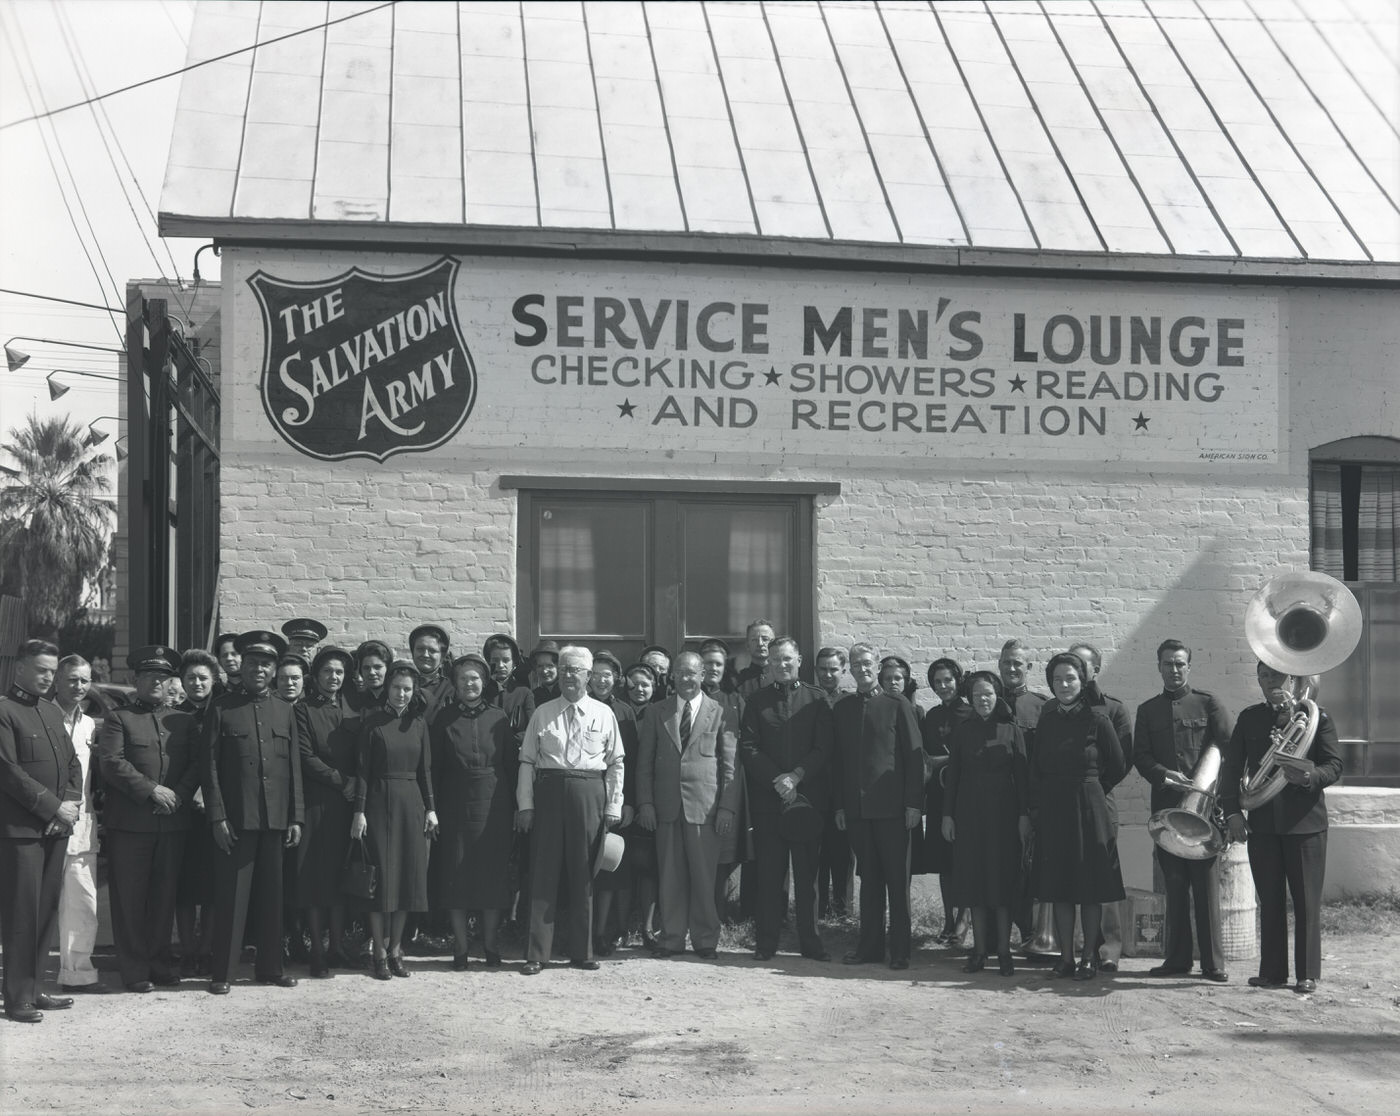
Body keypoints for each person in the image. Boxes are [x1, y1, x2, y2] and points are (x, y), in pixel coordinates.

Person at [1220, 661, 1343, 995]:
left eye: (1275, 674)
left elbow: (1334, 765)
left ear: (1292, 678)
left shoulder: (1319, 717)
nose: (1269, 681)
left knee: (1306, 903)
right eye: (1263, 675)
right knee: (1270, 900)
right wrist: (1232, 812)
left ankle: (1307, 974)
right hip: (1263, 823)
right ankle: (1272, 972)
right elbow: (1232, 769)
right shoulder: (1249, 718)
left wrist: (1309, 776)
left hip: (1305, 824)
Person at [202, 630, 304, 995]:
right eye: (252, 663)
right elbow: (209, 768)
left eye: (266, 664)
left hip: (276, 818)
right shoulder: (221, 707)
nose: (259, 669)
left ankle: (271, 968)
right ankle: (223, 972)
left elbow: (293, 768)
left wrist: (296, 816)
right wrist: (217, 816)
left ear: (275, 669)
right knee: (232, 896)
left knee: (272, 896)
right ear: (240, 666)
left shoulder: (285, 709)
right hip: (236, 818)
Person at [515, 645, 624, 975]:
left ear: (589, 676)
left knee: (584, 873)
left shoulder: (604, 714)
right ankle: (537, 953)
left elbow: (616, 763)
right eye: (563, 670)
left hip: (589, 795)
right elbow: (527, 762)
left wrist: (613, 805)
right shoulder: (543, 713)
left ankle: (583, 951)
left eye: (575, 671)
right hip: (548, 794)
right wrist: (526, 805)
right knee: (543, 873)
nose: (567, 676)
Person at [99, 645, 202, 992]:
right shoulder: (119, 718)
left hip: (172, 822)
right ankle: (134, 969)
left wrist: (178, 795)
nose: (157, 683)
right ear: (135, 679)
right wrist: (152, 791)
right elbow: (112, 762)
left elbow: (196, 765)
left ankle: (159, 963)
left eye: (163, 677)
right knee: (130, 898)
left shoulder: (182, 721)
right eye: (149, 677)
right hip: (131, 824)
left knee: (163, 896)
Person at [1132, 639, 1232, 982]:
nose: (1173, 670)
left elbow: (1228, 749)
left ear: (1189, 666)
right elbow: (1141, 756)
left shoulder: (1209, 703)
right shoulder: (1147, 710)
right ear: (1158, 667)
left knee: (1205, 890)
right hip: (1167, 809)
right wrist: (1163, 775)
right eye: (1167, 664)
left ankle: (1212, 963)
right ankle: (1177, 960)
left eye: (1179, 664)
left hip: (1203, 811)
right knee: (1173, 888)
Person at [636, 651, 740, 959]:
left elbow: (731, 764)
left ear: (703, 675)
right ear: (672, 676)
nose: (686, 678)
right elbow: (644, 764)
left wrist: (726, 807)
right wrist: (645, 803)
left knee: (704, 877)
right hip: (666, 808)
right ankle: (671, 939)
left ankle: (706, 940)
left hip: (705, 809)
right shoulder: (658, 712)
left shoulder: (720, 711)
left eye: (692, 673)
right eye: (680, 673)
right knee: (670, 877)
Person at [1031, 652, 1126, 981]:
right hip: (1055, 809)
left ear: (1082, 681)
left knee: (1089, 886)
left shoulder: (1098, 719)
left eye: (1070, 678)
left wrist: (1094, 789)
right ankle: (1066, 957)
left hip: (1089, 808)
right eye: (1057, 679)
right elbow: (1036, 766)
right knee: (1058, 886)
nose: (1064, 685)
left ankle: (1089, 956)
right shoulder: (1047, 719)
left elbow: (1117, 764)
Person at [0, 639, 80, 1023]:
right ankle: (16, 997)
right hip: (22, 831)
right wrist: (52, 806)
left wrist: (69, 806)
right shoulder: (5, 712)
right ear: (20, 669)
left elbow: (72, 763)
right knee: (21, 914)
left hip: (55, 828)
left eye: (52, 671)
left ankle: (34, 987)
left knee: (46, 909)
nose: (48, 677)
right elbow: (9, 772)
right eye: (41, 670)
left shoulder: (50, 712)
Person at [740, 636, 834, 962]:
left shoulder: (818, 699)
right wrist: (777, 780)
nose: (782, 665)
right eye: (776, 660)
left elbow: (823, 748)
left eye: (788, 659)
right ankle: (766, 943)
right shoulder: (756, 702)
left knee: (807, 879)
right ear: (769, 663)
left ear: (799, 661)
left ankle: (811, 943)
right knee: (770, 878)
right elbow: (749, 748)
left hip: (806, 801)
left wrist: (796, 776)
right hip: (769, 803)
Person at [832, 644, 922, 970]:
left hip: (895, 810)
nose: (861, 668)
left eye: (866, 663)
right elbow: (839, 762)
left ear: (877, 666)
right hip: (858, 811)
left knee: (897, 884)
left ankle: (900, 951)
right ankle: (869, 948)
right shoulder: (842, 709)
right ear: (849, 669)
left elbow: (915, 757)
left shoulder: (897, 705)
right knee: (869, 882)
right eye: (855, 664)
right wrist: (841, 807)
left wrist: (914, 804)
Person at [351, 660, 438, 980]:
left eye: (407, 689)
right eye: (396, 687)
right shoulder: (372, 724)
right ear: (387, 688)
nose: (401, 694)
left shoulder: (418, 724)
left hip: (412, 805)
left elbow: (425, 771)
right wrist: (358, 812)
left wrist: (431, 808)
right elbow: (362, 771)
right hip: (378, 804)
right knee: (382, 882)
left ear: (414, 692)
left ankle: (397, 949)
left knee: (406, 882)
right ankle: (378, 951)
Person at [941, 671, 1030, 976]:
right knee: (975, 884)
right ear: (970, 698)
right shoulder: (963, 731)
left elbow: (1023, 778)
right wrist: (947, 816)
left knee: (1002, 884)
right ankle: (979, 951)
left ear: (998, 696)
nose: (983, 700)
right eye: (977, 695)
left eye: (988, 695)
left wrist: (1023, 816)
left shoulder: (1011, 729)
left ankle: (1004, 953)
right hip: (969, 815)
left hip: (1004, 816)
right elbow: (952, 777)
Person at [431, 654, 515, 969]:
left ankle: (491, 944)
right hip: (454, 803)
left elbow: (509, 764)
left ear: (484, 682)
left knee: (491, 877)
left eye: (475, 678)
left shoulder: (499, 717)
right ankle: (461, 947)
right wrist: (434, 808)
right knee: (457, 875)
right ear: (455, 684)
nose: (469, 684)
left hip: (495, 803)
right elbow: (435, 768)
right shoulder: (443, 719)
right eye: (463, 679)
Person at [1068, 642, 1135, 975]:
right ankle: (1084, 948)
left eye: (1083, 666)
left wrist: (1096, 787)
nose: (1076, 672)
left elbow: (1122, 761)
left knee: (1104, 877)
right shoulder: (1060, 708)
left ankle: (1109, 947)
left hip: (1100, 800)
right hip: (1068, 803)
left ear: (1095, 669)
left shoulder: (1114, 709)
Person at [295, 646, 359, 977]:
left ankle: (337, 946)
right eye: (327, 672)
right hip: (317, 801)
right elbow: (305, 756)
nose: (333, 678)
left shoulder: (351, 708)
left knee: (339, 877)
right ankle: (317, 950)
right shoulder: (304, 709)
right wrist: (341, 780)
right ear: (316, 676)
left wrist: (354, 785)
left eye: (339, 673)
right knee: (314, 878)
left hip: (346, 805)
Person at [589, 652, 650, 954]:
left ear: (616, 680)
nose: (602, 680)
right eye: (596, 674)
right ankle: (583, 931)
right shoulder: (576, 706)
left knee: (614, 870)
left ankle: (609, 931)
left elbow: (633, 761)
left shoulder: (624, 712)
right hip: (584, 798)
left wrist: (629, 803)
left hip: (615, 802)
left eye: (607, 675)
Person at [51, 654, 106, 994]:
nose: (79, 686)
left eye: (84, 680)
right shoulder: (40, 718)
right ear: (57, 680)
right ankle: (25, 975)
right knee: (39, 904)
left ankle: (78, 973)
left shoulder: (89, 725)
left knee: (83, 901)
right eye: (72, 679)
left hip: (83, 825)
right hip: (45, 821)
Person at [914, 657, 973, 943]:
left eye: (948, 680)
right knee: (944, 862)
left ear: (957, 680)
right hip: (939, 796)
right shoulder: (933, 716)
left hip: (965, 798)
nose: (943, 686)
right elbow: (924, 756)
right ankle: (949, 920)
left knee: (964, 860)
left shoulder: (971, 711)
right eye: (937, 682)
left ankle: (964, 919)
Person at [999, 638, 1051, 947]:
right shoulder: (987, 700)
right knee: (1000, 869)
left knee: (1030, 870)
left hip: (1029, 801)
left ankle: (1031, 932)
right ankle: (999, 934)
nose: (1012, 667)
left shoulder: (1041, 706)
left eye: (1018, 662)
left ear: (1028, 667)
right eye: (1007, 662)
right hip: (995, 801)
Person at [174, 649, 221, 976]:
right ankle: (188, 950)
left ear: (214, 680)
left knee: (213, 887)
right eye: (191, 677)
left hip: (217, 811)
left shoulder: (223, 713)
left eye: (203, 677)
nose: (196, 683)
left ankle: (207, 949)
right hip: (182, 811)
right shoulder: (173, 715)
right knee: (185, 886)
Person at [700, 638, 753, 923]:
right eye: (707, 663)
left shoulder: (734, 700)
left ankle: (718, 914)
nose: (712, 669)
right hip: (696, 787)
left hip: (728, 784)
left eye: (718, 664)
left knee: (724, 853)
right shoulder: (688, 697)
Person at [813, 646, 854, 919]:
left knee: (842, 852)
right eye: (823, 670)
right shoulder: (809, 700)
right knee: (816, 854)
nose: (828, 675)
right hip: (814, 786)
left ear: (843, 671)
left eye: (833, 669)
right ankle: (817, 909)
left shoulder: (849, 703)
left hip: (843, 787)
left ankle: (843, 910)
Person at [409, 624, 453, 720]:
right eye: (420, 649)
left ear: (442, 656)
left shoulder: (452, 688)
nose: (425, 655)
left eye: (432, 651)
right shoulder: (402, 683)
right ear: (412, 652)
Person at [734, 619, 776, 699]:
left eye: (765, 639)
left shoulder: (781, 677)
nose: (760, 644)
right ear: (747, 645)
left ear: (773, 644)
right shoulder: (738, 681)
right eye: (754, 640)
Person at [348, 640, 391, 713]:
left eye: (377, 667)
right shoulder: (353, 704)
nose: (371, 672)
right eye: (366, 668)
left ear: (387, 668)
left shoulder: (397, 699)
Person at [529, 640, 561, 707]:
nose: (544, 671)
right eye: (540, 666)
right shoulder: (532, 696)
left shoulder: (567, 693)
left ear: (558, 667)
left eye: (550, 666)